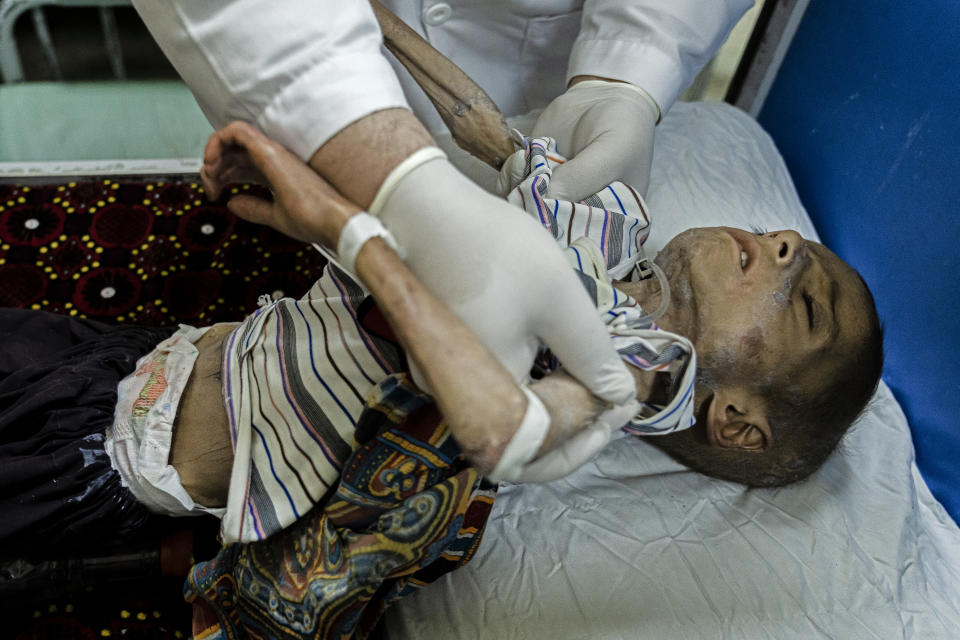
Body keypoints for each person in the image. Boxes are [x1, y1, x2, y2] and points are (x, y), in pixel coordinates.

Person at [128, 0, 755, 473]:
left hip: (199, 435)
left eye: (811, 304)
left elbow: (649, 377)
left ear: (737, 422)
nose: (785, 240)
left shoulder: (641, 345)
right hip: (208, 350)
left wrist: (629, 70)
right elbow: (489, 139)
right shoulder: (614, 223)